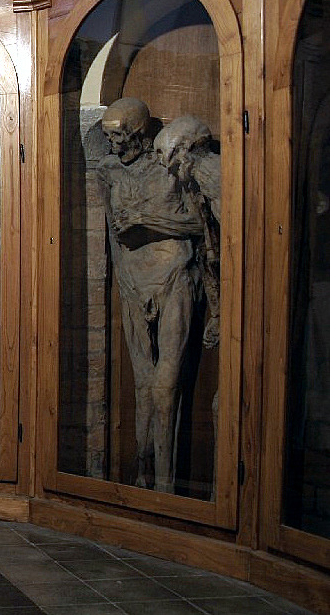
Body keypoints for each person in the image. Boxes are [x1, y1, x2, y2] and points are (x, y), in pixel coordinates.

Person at [96, 98, 204, 493]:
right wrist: (123, 278)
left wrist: (147, 220)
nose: (115, 146)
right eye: (109, 137)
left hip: (173, 276)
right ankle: (143, 477)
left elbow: (201, 223)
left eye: (121, 137)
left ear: (141, 134)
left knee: (165, 384)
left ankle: (165, 486)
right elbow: (112, 233)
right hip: (132, 283)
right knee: (142, 383)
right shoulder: (108, 171)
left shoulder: (169, 165)